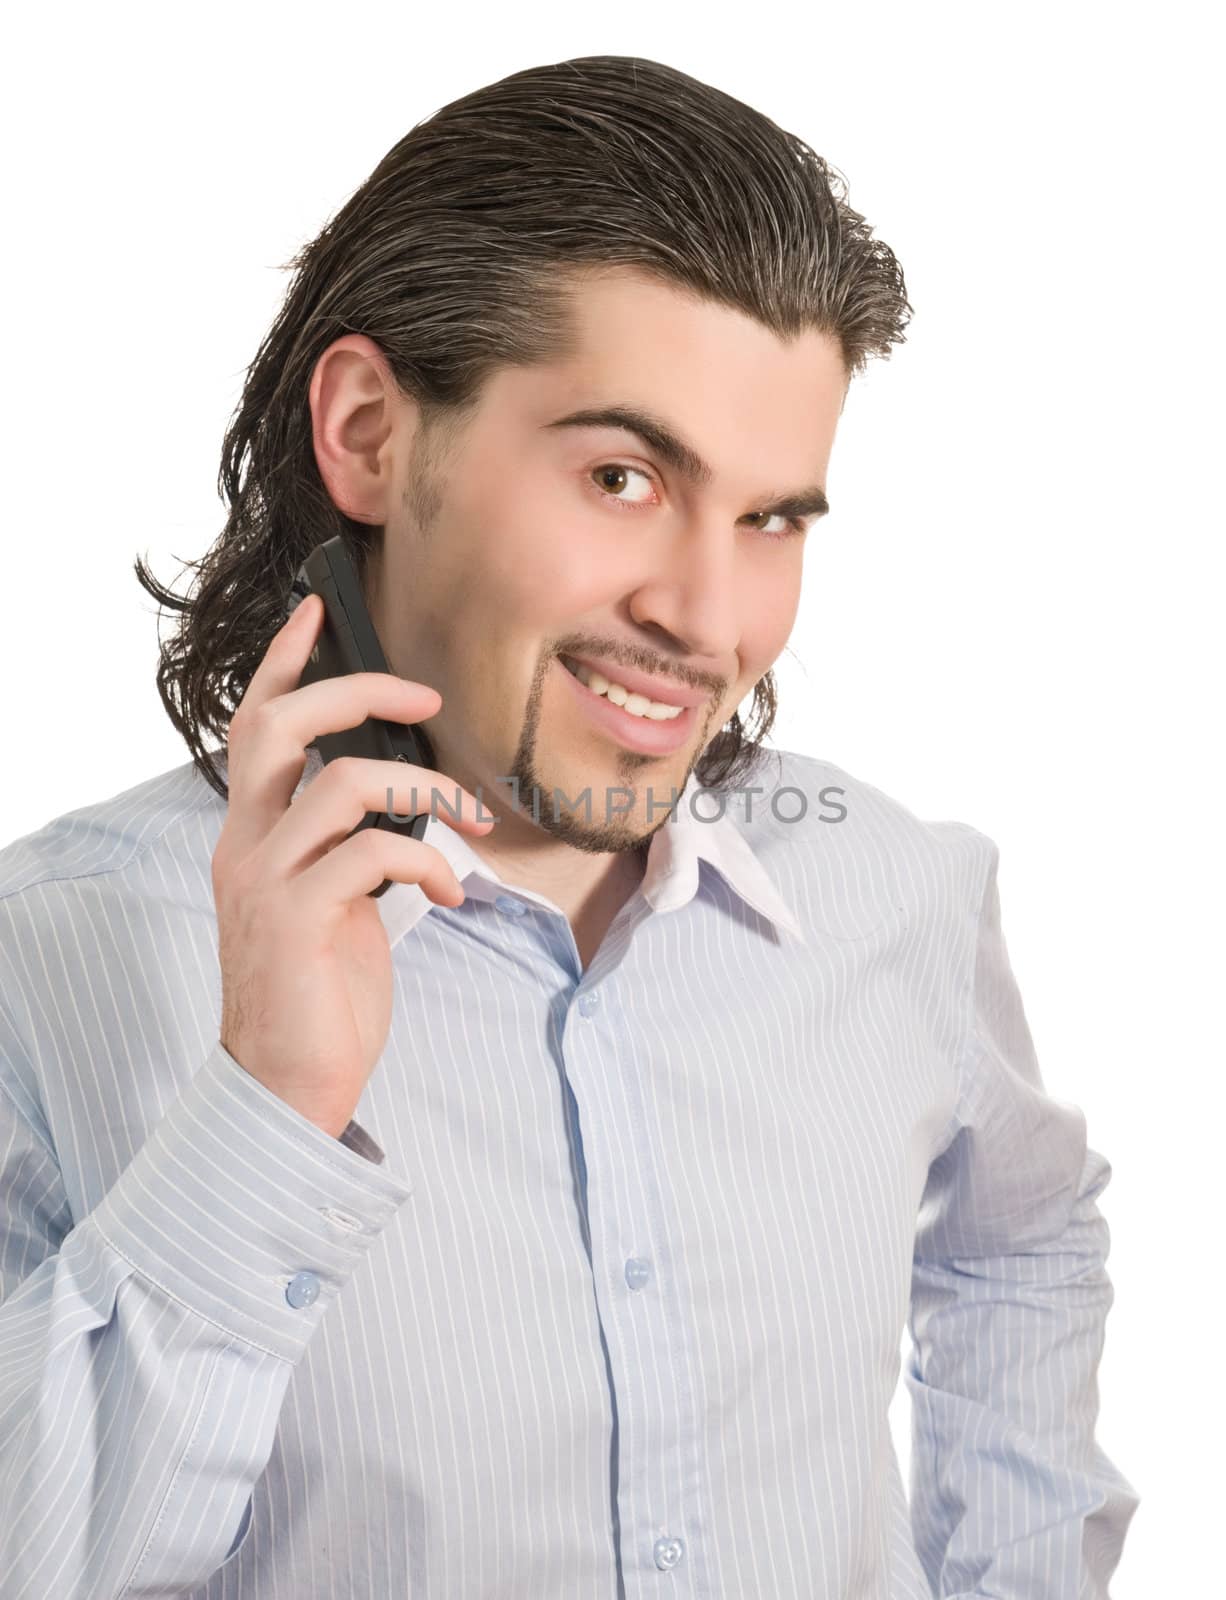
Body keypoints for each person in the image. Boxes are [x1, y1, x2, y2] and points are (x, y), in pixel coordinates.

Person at [0, 53, 1139, 1600]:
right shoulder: (44, 959)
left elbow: (1019, 1238)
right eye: (619, 475)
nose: (706, 615)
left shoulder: (894, 890)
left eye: (769, 519)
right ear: (369, 436)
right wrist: (266, 1114)